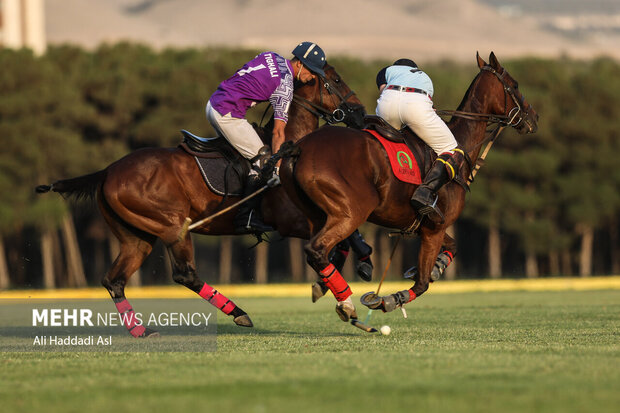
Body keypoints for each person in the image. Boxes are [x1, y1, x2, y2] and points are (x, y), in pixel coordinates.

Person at [206, 42, 327, 234]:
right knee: (263, 158)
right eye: (312, 71)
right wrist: (276, 167)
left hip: (213, 103)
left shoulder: (270, 55)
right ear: (300, 64)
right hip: (227, 114)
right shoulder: (285, 87)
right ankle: (245, 217)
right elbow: (278, 132)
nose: (312, 77)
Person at [375, 58, 465, 221]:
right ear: (414, 69)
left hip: (387, 103)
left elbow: (383, 91)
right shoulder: (423, 76)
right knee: (453, 149)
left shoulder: (386, 71)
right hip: (416, 104)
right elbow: (426, 105)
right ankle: (425, 192)